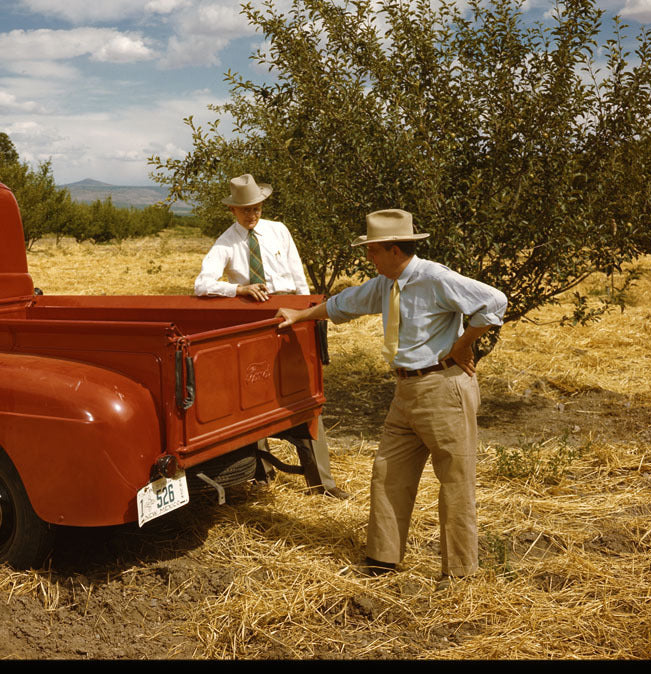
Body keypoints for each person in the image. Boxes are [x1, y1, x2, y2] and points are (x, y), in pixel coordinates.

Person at [276, 208, 507, 585]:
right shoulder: (386, 283)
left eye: (374, 251)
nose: (369, 258)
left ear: (394, 250)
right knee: (387, 473)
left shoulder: (434, 277)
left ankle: (460, 574)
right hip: (405, 392)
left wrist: (464, 345)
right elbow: (344, 304)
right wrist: (300, 317)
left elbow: (494, 302)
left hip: (443, 388)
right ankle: (383, 559)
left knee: (455, 480)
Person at [194, 174, 349, 500]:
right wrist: (238, 289)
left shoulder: (279, 230)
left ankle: (322, 484)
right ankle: (261, 473)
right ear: (233, 210)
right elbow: (203, 284)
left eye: (257, 208)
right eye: (245, 210)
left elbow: (297, 274)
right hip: (255, 319)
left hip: (292, 315)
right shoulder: (226, 242)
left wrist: (310, 314)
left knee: (303, 395)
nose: (252, 215)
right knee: (255, 394)